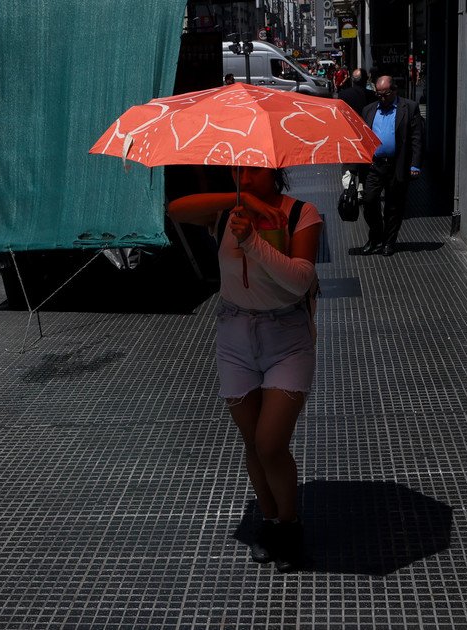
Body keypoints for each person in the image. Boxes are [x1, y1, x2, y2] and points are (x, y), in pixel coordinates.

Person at [166, 167, 323, 573]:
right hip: (235, 337)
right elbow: (176, 210)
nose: (244, 177)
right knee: (252, 443)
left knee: (271, 444)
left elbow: (300, 280)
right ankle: (270, 521)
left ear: (275, 171)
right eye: (239, 169)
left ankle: (290, 524)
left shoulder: (301, 214)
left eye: (253, 170)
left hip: (287, 338)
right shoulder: (226, 213)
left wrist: (251, 241)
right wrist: (237, 204)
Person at [357, 76, 424, 256]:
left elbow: (416, 139)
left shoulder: (409, 108)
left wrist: (415, 165)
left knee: (393, 207)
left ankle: (389, 242)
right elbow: (361, 138)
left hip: (397, 165)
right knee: (369, 201)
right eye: (378, 94)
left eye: (385, 94)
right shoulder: (368, 110)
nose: (382, 98)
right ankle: (375, 236)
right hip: (375, 165)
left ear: (394, 90)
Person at [337, 69, 378, 200]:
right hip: (367, 133)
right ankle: (361, 190)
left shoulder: (344, 95)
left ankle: (349, 189)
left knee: (349, 164)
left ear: (352, 80)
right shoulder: (372, 95)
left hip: (349, 133)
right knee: (365, 164)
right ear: (366, 79)